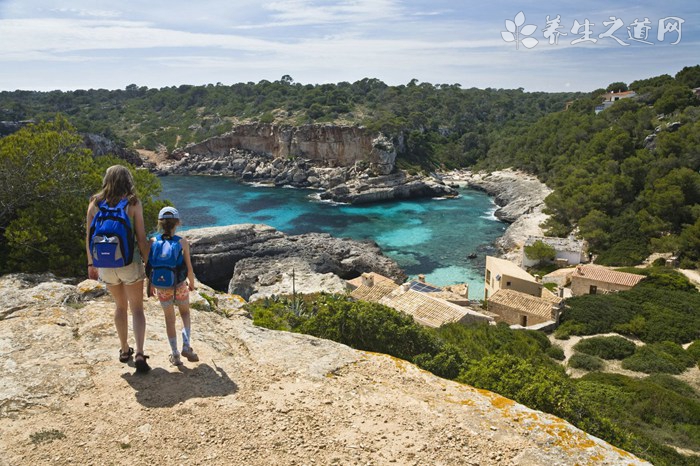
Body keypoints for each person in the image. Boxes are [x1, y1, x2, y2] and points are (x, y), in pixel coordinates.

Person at [86, 165, 151, 373]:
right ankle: (140, 352)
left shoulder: (95, 203)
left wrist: (91, 264)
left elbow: (88, 237)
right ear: (127, 180)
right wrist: (149, 263)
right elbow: (141, 239)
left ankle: (124, 349)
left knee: (120, 307)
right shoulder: (132, 202)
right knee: (137, 309)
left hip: (105, 263)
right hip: (129, 262)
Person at [149, 206, 198, 366]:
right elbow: (189, 266)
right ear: (177, 223)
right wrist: (191, 283)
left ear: (160, 223)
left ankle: (175, 354)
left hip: (162, 287)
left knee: (169, 319)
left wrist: (149, 285)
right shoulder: (182, 242)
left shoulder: (153, 241)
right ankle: (186, 345)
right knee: (185, 314)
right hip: (179, 285)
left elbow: (150, 266)